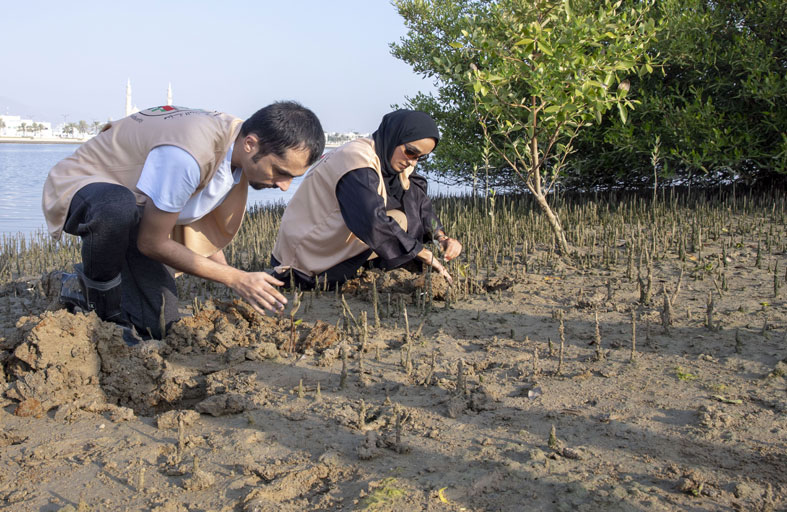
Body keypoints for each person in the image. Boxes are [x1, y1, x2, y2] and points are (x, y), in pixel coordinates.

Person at [42, 102, 324, 340]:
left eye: (292, 178)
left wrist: (236, 282)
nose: (285, 186)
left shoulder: (236, 142)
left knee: (158, 323)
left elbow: (199, 220)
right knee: (115, 207)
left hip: (135, 211)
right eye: (280, 171)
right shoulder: (188, 156)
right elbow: (152, 243)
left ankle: (76, 284)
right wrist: (236, 278)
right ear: (252, 144)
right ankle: (97, 297)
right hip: (84, 186)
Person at [270, 109, 462, 290]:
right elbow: (371, 221)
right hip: (304, 257)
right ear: (394, 136)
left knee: (402, 215)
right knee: (392, 223)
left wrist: (441, 237)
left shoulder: (394, 161)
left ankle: (367, 267)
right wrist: (422, 253)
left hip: (335, 240)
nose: (413, 161)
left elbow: (419, 205)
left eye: (421, 157)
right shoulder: (356, 160)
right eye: (411, 152)